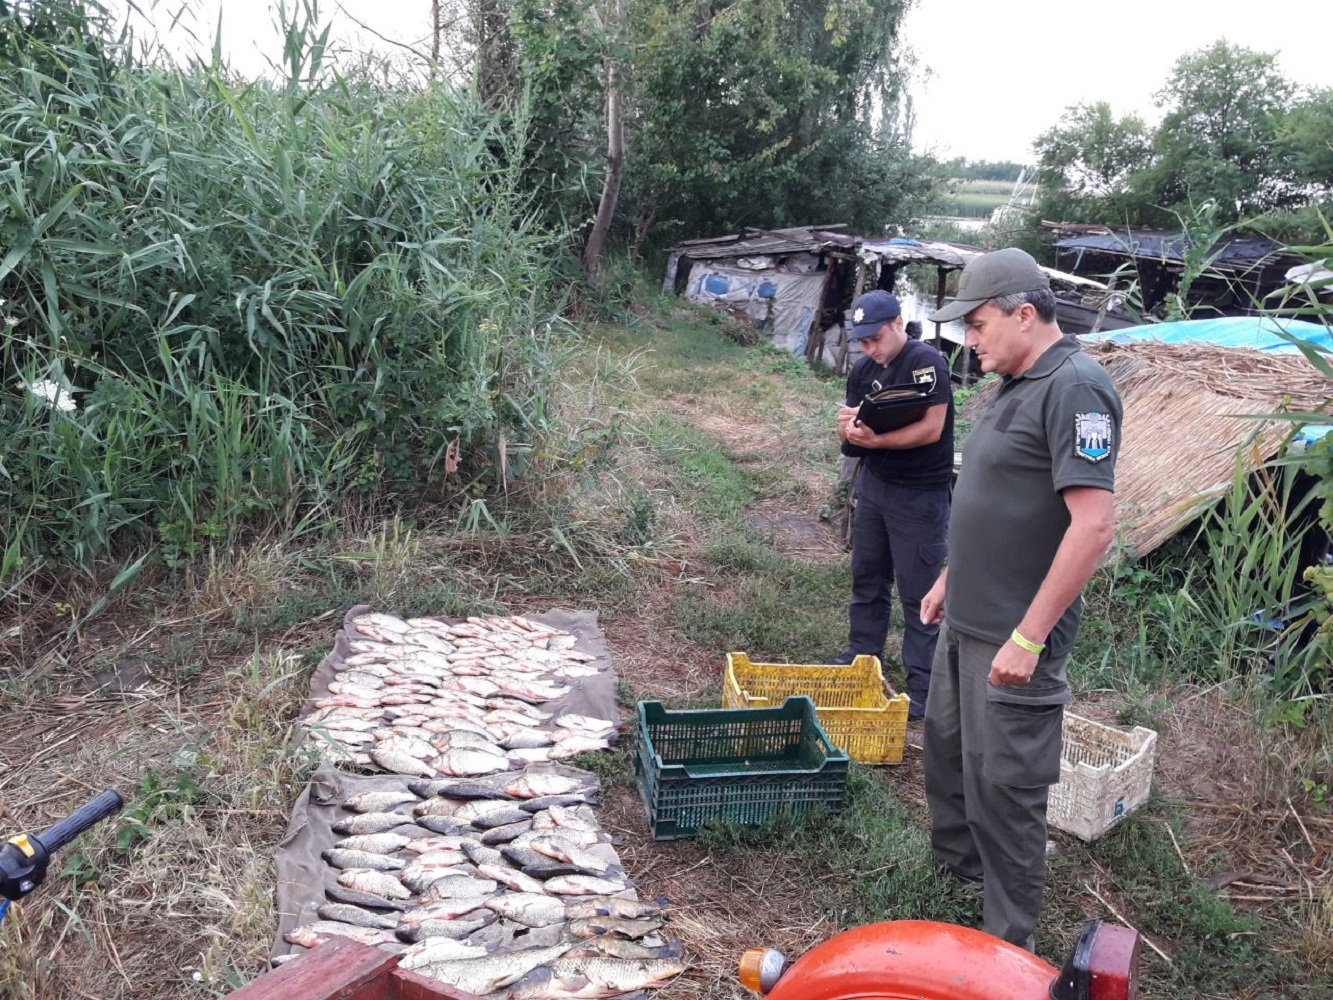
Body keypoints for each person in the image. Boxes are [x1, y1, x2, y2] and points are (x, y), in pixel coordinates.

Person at [918, 248, 1121, 952]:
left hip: (1012, 634)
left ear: (1023, 314)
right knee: (946, 754)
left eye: (976, 324)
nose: (969, 340)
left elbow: (1092, 526)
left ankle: (1008, 942)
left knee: (1005, 786)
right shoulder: (1011, 381)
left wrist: (1029, 638)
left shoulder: (1075, 388)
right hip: (967, 618)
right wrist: (949, 576)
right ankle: (958, 874)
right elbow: (995, 498)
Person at [831, 289, 954, 720]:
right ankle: (861, 658)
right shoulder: (864, 371)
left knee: (920, 593)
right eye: (862, 342)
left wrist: (878, 439)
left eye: (877, 338)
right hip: (876, 487)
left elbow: (932, 430)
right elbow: (851, 442)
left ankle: (923, 686)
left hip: (921, 494)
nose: (871, 349)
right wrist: (847, 431)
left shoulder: (926, 363)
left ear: (898, 324)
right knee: (868, 577)